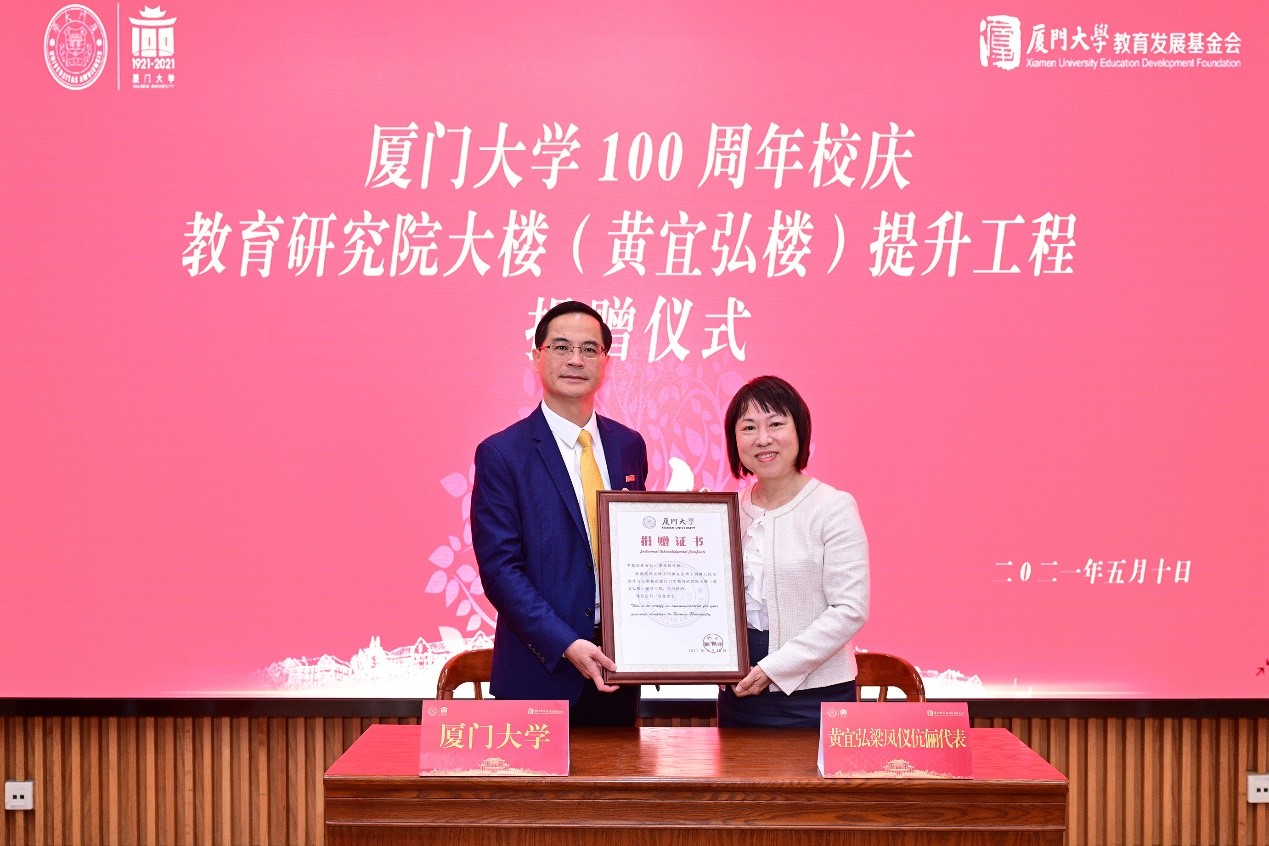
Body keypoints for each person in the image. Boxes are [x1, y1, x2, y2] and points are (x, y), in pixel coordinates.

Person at [472, 301, 647, 726]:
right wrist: (566, 642)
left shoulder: (629, 445)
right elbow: (500, 570)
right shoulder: (502, 453)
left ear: (605, 361)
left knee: (618, 773)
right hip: (540, 672)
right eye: (562, 347)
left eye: (589, 349)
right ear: (538, 356)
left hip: (617, 671)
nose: (575, 360)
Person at [716, 375, 869, 728]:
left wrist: (774, 668)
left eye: (776, 424)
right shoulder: (725, 510)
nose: (762, 438)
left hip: (816, 695)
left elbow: (850, 609)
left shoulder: (833, 507)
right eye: (748, 427)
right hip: (739, 689)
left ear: (800, 431)